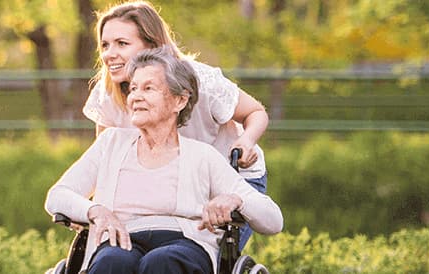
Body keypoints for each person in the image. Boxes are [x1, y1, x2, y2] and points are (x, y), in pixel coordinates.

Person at [45, 47, 282, 273]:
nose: (136, 96)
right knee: (111, 262)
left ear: (179, 100)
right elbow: (56, 197)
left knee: (162, 262)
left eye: (148, 89)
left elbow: (273, 221)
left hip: (185, 244)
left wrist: (235, 200)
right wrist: (94, 210)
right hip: (119, 239)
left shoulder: (202, 155)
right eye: (134, 88)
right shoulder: (111, 143)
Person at [82, 1, 271, 251]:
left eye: (122, 44)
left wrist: (246, 141)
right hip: (169, 184)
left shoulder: (200, 81)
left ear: (152, 46)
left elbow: (256, 112)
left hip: (228, 179)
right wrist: (88, 207)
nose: (109, 54)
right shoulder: (108, 93)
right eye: (105, 45)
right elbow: (104, 163)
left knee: (199, 255)